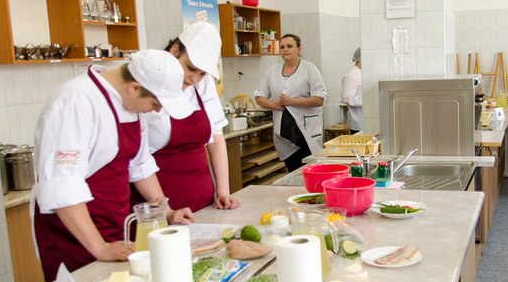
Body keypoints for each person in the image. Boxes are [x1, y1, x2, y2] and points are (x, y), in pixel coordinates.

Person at [33, 50, 196, 282]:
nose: (157, 110)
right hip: (76, 236)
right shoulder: (76, 101)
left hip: (114, 226)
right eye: (155, 104)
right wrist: (98, 247)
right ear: (134, 87)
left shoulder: (129, 104)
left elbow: (140, 165)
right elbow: (62, 185)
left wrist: (166, 212)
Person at [143, 22, 241, 212]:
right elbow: (138, 161)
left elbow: (216, 138)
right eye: (190, 68)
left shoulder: (203, 84)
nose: (194, 78)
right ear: (174, 51)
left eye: (202, 73)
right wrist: (166, 210)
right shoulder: (147, 86)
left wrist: (223, 192)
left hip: (202, 198)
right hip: (158, 201)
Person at [255, 33, 327, 172]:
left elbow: (319, 99)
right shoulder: (272, 70)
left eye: (289, 46)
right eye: (282, 47)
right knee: (292, 171)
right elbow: (259, 96)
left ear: (299, 49)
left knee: (310, 170)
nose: (285, 49)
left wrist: (293, 101)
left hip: (306, 133)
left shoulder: (309, 69)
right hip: (284, 134)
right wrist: (273, 105)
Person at [341, 47, 363, 132]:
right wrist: (366, 100)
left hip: (364, 121)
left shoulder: (363, 73)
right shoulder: (351, 76)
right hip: (357, 123)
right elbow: (346, 98)